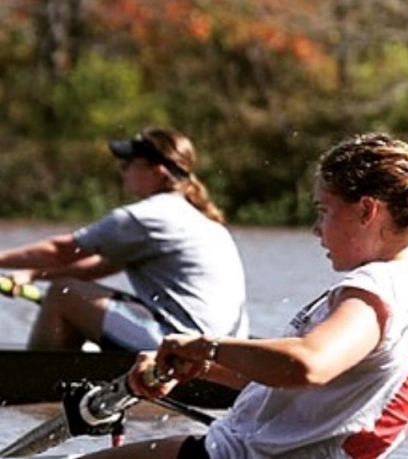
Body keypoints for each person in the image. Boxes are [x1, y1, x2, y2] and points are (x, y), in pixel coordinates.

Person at [79, 133, 408, 459]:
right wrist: (198, 364)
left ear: (367, 210)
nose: (317, 229)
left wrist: (207, 346)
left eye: (324, 211)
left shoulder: (376, 287)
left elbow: (308, 365)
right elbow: (301, 383)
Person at [0, 127, 248, 350]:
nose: (123, 171)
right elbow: (98, 266)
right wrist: (31, 274)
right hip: (223, 349)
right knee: (72, 292)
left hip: (184, 344)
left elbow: (61, 251)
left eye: (128, 163)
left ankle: (32, 380)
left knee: (62, 293)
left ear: (157, 171)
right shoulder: (201, 221)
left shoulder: (145, 217)